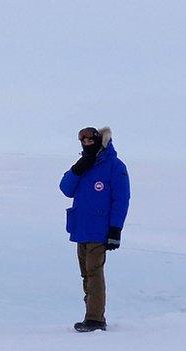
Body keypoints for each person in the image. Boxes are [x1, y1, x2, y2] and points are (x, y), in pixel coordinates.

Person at [59, 126, 131, 332]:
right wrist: (77, 169)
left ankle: (95, 319)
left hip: (100, 230)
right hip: (81, 228)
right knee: (86, 274)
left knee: (94, 273)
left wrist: (115, 230)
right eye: (83, 141)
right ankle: (91, 315)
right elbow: (65, 189)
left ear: (100, 140)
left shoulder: (114, 166)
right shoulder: (84, 164)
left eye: (91, 140)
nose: (87, 143)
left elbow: (121, 200)